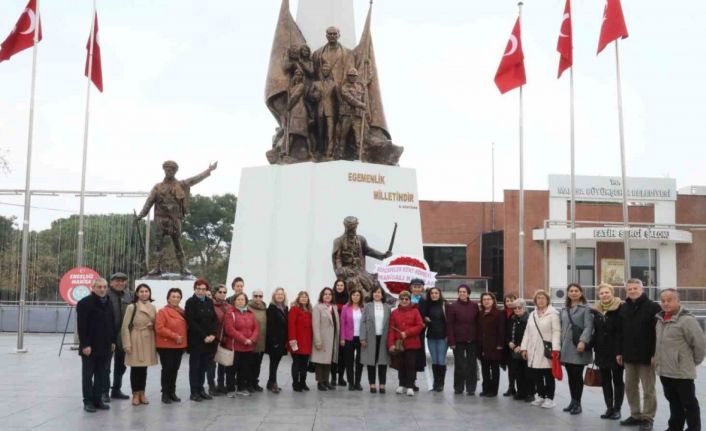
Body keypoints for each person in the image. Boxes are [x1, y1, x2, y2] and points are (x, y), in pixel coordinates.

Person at [134, 160, 217, 276]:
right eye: (167, 169)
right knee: (158, 245)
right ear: (164, 170)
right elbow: (149, 202)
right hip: (160, 219)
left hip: (174, 219)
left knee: (178, 243)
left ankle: (183, 267)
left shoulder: (181, 185)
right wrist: (140, 215)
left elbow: (195, 179)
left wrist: (209, 170)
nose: (169, 171)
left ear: (175, 171)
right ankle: (157, 268)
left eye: (171, 169)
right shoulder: (157, 187)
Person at [655, 288, 705, 431]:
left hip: (682, 372)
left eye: (669, 300)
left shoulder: (687, 320)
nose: (666, 303)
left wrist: (691, 362)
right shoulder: (660, 319)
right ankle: (675, 427)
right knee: (673, 402)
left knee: (689, 403)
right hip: (665, 370)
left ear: (678, 301)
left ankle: (693, 428)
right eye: (663, 300)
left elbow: (699, 345)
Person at [616, 279, 662, 431]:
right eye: (629, 289)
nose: (632, 291)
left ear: (642, 289)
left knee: (648, 389)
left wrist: (655, 353)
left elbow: (659, 333)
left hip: (647, 356)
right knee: (630, 387)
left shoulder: (653, 307)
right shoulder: (623, 307)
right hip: (628, 354)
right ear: (626, 291)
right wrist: (619, 352)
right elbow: (620, 332)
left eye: (635, 288)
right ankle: (635, 415)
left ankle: (648, 418)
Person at [77, 278, 115, 413]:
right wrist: (85, 345)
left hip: (105, 346)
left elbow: (111, 324)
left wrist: (113, 342)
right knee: (88, 375)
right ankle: (88, 401)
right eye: (99, 287)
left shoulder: (108, 303)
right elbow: (82, 326)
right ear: (92, 288)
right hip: (90, 347)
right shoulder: (84, 303)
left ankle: (98, 400)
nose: (102, 289)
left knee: (101, 374)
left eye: (105, 287)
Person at [521, 289, 560, 409]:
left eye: (543, 298)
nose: (541, 300)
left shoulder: (553, 314)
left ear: (547, 300)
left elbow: (556, 332)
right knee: (536, 374)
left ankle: (550, 398)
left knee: (548, 375)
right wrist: (524, 348)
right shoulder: (532, 314)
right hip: (533, 349)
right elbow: (527, 332)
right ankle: (541, 396)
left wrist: (556, 348)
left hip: (547, 349)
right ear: (535, 301)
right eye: (538, 298)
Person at [121, 283, 158, 406]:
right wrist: (127, 343)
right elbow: (125, 326)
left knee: (144, 368)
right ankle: (135, 394)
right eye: (141, 291)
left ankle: (142, 392)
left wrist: (153, 325)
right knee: (135, 368)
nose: (144, 293)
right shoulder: (132, 307)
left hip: (148, 338)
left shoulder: (153, 307)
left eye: (146, 291)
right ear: (137, 293)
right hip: (136, 337)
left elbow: (155, 323)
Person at [559, 283, 594, 415]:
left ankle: (578, 403)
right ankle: (573, 401)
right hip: (566, 347)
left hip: (579, 347)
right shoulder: (564, 309)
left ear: (581, 293)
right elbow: (561, 328)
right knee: (571, 376)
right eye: (571, 291)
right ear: (568, 293)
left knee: (577, 376)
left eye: (576, 291)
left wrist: (583, 341)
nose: (573, 293)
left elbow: (589, 327)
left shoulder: (586, 308)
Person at [592, 283, 624, 420]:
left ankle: (617, 409)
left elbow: (622, 332)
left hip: (616, 351)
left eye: (607, 292)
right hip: (601, 350)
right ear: (599, 295)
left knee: (617, 380)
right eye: (602, 293)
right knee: (605, 380)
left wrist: (620, 351)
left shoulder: (620, 308)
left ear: (612, 293)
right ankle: (609, 408)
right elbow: (595, 331)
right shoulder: (596, 310)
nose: (604, 295)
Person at [185, 278, 218, 402]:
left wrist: (213, 334)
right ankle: (194, 392)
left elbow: (214, 319)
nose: (201, 291)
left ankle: (201, 390)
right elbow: (191, 322)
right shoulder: (190, 302)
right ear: (195, 289)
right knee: (195, 367)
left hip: (209, 341)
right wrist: (204, 336)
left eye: (203, 289)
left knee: (204, 366)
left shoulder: (209, 301)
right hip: (197, 341)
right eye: (198, 289)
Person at [388, 290, 424, 396]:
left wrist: (407, 333)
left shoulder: (415, 311)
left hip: (412, 343)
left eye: (406, 299)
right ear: (399, 299)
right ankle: (401, 384)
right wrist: (390, 344)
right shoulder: (394, 312)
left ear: (409, 300)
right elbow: (391, 329)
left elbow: (420, 325)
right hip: (399, 343)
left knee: (410, 364)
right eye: (402, 299)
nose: (404, 301)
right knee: (401, 364)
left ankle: (410, 386)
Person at [446, 284, 480, 395]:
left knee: (471, 364)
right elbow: (450, 325)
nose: (462, 293)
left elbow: (478, 323)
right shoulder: (453, 306)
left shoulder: (474, 306)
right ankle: (458, 387)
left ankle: (471, 388)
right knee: (459, 365)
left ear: (468, 293)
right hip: (458, 340)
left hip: (472, 340)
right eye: (460, 291)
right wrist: (452, 341)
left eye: (464, 292)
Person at [155, 288, 187, 404]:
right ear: (168, 298)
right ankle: (165, 393)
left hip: (179, 346)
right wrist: (174, 336)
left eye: (178, 297)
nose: (176, 299)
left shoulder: (182, 311)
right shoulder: (162, 312)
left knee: (175, 369)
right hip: (166, 345)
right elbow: (159, 328)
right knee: (167, 369)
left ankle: (172, 392)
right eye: (173, 296)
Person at [223, 292, 259, 397]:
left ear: (246, 301)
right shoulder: (230, 313)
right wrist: (244, 339)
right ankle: (230, 389)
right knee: (232, 369)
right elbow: (230, 330)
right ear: (234, 301)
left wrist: (252, 339)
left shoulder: (250, 313)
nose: (240, 301)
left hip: (248, 347)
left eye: (242, 299)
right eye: (238, 299)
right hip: (235, 346)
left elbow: (256, 328)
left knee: (244, 368)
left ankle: (241, 388)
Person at [104, 272, 132, 402]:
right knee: (105, 366)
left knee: (121, 365)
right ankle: (104, 391)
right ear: (111, 282)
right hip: (108, 335)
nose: (120, 283)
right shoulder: (105, 294)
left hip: (123, 335)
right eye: (117, 281)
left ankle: (116, 389)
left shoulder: (128, 295)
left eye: (122, 281)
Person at [360, 285, 391, 393]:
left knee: (383, 362)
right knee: (371, 362)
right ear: (372, 294)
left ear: (382, 295)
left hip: (383, 337)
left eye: (379, 292)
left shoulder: (387, 307)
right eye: (375, 292)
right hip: (370, 338)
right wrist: (362, 338)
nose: (377, 294)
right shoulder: (367, 306)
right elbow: (363, 322)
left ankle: (382, 385)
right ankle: (372, 384)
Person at [312, 287, 340, 391]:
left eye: (329, 294)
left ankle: (326, 381)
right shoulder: (318, 307)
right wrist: (317, 341)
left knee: (328, 361)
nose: (327, 296)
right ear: (322, 296)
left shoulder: (334, 307)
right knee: (320, 361)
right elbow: (315, 325)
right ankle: (320, 382)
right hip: (322, 338)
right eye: (325, 294)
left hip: (332, 338)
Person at [478, 292, 505, 397]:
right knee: (484, 368)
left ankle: (493, 391)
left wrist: (500, 344)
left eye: (488, 299)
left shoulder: (499, 313)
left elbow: (501, 330)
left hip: (494, 345)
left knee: (494, 369)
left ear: (493, 301)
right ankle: (485, 389)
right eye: (484, 299)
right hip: (482, 345)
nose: (486, 301)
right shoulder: (480, 313)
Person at [508, 298, 533, 402]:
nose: (517, 310)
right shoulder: (513, 318)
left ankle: (530, 393)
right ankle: (520, 392)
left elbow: (530, 335)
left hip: (526, 350)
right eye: (515, 308)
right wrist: (509, 342)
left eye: (519, 308)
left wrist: (521, 346)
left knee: (528, 373)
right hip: (514, 350)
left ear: (524, 308)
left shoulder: (529, 319)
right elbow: (509, 332)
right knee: (518, 372)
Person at [423, 287, 447, 392]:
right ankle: (435, 383)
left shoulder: (444, 305)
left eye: (436, 293)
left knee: (441, 360)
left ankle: (441, 384)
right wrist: (425, 319)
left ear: (440, 294)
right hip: (431, 336)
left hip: (443, 337)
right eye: (432, 293)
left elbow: (449, 321)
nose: (434, 295)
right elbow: (422, 317)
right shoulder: (427, 305)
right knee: (434, 360)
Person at [288, 291, 313, 392]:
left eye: (306, 297)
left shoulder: (309, 311)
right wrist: (292, 339)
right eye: (302, 297)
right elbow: (291, 325)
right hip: (296, 341)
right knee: (296, 363)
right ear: (298, 298)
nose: (304, 299)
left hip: (307, 342)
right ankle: (295, 383)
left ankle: (303, 382)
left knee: (304, 364)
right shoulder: (294, 309)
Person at [340, 289, 364, 390]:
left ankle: (357, 382)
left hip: (361, 338)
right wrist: (342, 338)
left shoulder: (364, 308)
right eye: (354, 295)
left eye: (358, 295)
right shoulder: (346, 307)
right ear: (351, 296)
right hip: (348, 338)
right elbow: (342, 323)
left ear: (360, 297)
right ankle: (351, 382)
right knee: (349, 361)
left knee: (360, 361)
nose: (355, 297)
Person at [265, 287, 289, 393]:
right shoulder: (271, 308)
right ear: (274, 296)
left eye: (282, 294)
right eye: (278, 294)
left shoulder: (285, 308)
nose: (280, 296)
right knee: (273, 363)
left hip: (282, 341)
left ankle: (270, 382)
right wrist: (274, 342)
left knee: (276, 362)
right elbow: (270, 326)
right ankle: (273, 383)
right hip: (274, 342)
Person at [212, 284, 232, 395]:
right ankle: (212, 385)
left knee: (223, 362)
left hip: (226, 338)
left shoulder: (228, 306)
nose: (222, 294)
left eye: (224, 292)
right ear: (215, 293)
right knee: (212, 364)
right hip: (214, 338)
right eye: (220, 292)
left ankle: (221, 384)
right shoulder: (211, 305)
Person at [409, 279, 427, 392]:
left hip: (419, 333)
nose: (416, 289)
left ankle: (412, 381)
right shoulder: (405, 298)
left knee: (415, 358)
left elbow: (427, 314)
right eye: (414, 287)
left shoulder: (425, 301)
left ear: (422, 288)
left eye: (419, 287)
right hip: (406, 332)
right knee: (405, 357)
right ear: (411, 288)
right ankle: (403, 381)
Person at [248, 289, 268, 392]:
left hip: (262, 341)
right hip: (251, 341)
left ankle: (255, 382)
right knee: (250, 364)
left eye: (260, 296)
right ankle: (249, 383)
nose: (258, 298)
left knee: (258, 364)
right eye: (256, 296)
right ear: (252, 296)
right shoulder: (248, 307)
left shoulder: (265, 308)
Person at [332, 278, 349, 387]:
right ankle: (333, 378)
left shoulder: (348, 298)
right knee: (333, 354)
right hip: (333, 330)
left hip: (345, 330)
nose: (339, 287)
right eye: (338, 285)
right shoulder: (331, 298)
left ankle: (341, 378)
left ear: (344, 287)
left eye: (341, 285)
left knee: (343, 355)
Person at [502, 293, 518, 397]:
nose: (509, 303)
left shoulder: (518, 312)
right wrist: (508, 342)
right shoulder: (502, 313)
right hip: (507, 344)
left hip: (517, 345)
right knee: (511, 368)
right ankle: (511, 387)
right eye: (507, 301)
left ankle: (520, 388)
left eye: (511, 300)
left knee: (518, 368)